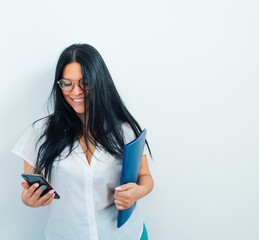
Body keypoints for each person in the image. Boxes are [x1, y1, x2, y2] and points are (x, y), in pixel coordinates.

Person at [11, 43, 154, 240]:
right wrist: (29, 200)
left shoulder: (124, 130)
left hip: (125, 234)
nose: (76, 92)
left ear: (99, 81)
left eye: (84, 82)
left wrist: (138, 191)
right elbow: (32, 187)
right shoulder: (40, 133)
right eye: (66, 83)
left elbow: (145, 176)